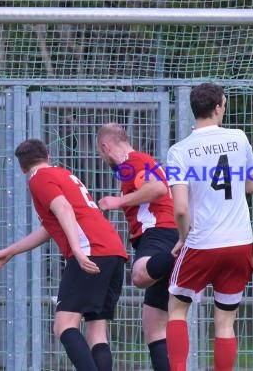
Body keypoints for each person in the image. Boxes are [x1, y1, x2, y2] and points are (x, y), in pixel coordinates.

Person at [0, 138, 128, 371]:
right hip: (113, 250)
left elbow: (64, 209)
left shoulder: (38, 179)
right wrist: (11, 251)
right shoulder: (63, 174)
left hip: (90, 251)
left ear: (22, 168)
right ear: (48, 157)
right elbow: (51, 227)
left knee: (64, 325)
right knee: (96, 328)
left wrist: (77, 252)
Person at [164, 82, 253, 371]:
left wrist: (182, 237)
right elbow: (251, 186)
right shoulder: (239, 138)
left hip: (203, 242)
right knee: (225, 322)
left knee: (177, 308)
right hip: (240, 241)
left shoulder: (180, 151)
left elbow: (180, 208)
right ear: (217, 107)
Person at [96, 123, 178, 371]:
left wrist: (117, 201)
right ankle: (181, 256)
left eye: (101, 154)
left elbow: (157, 188)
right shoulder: (139, 162)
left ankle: (185, 255)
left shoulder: (132, 161)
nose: (103, 158)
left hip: (159, 234)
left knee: (140, 275)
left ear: (105, 146)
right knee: (154, 326)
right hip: (164, 239)